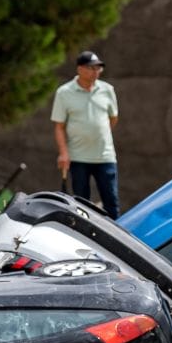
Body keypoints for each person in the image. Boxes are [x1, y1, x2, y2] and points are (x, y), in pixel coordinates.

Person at [51, 50, 120, 218]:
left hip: (105, 156)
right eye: (91, 68)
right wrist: (63, 153)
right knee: (81, 204)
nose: (95, 72)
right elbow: (59, 126)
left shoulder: (107, 90)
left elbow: (113, 118)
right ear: (80, 69)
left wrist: (98, 134)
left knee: (111, 202)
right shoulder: (64, 92)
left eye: (98, 68)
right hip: (78, 157)